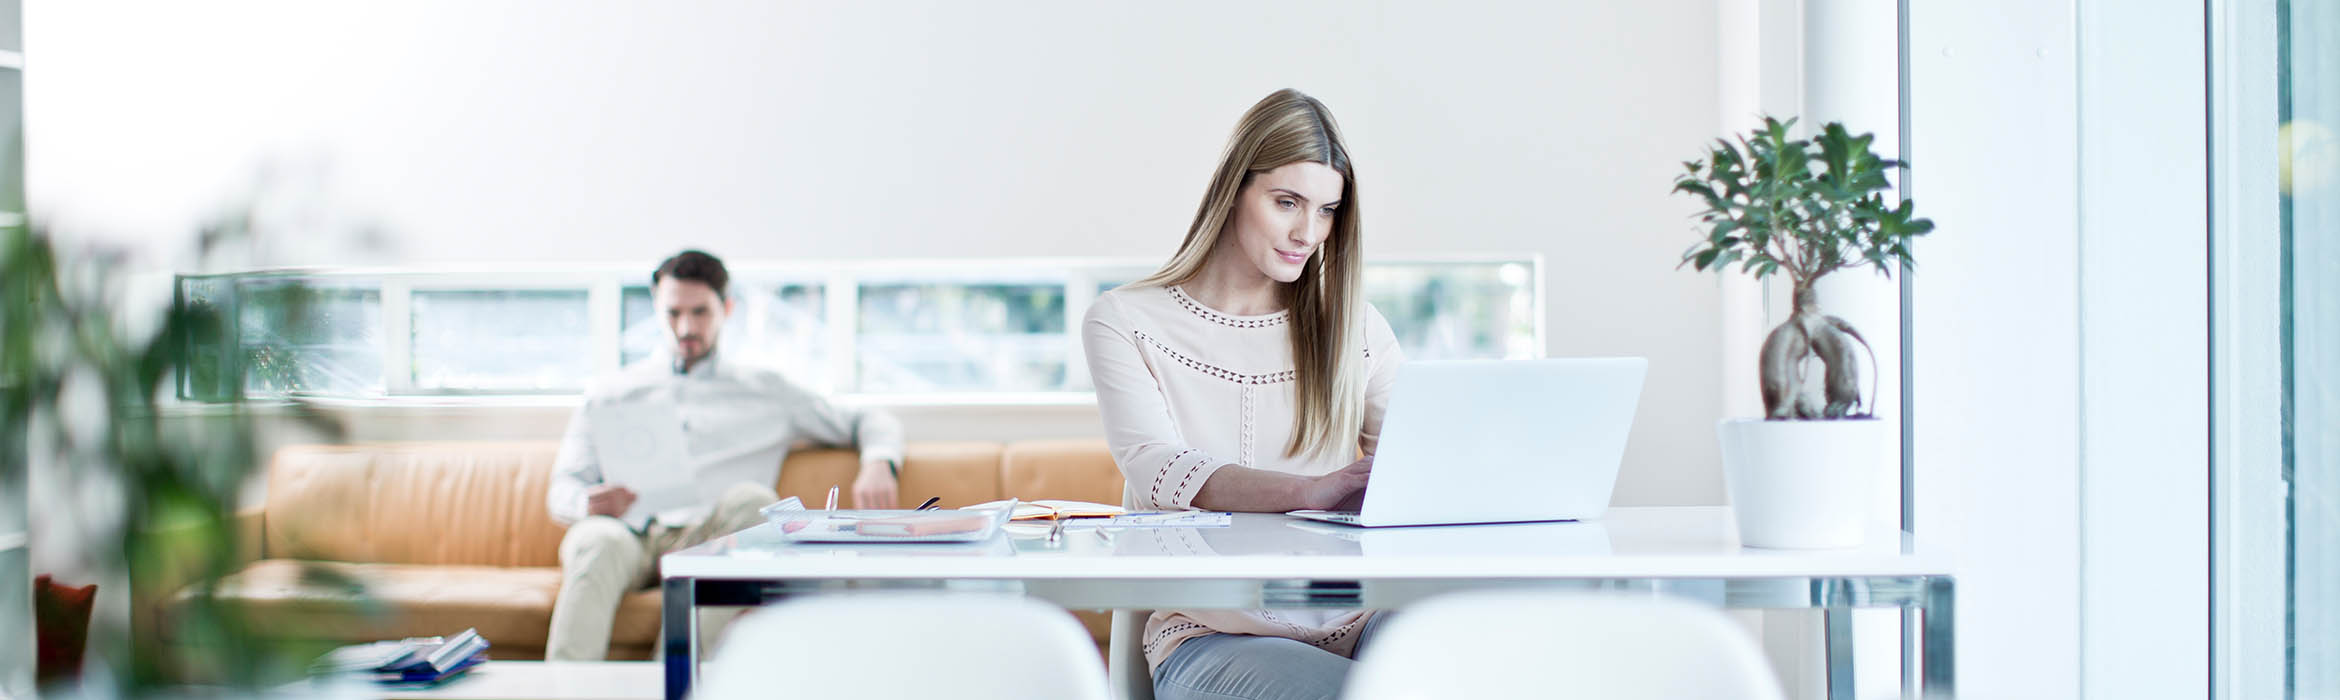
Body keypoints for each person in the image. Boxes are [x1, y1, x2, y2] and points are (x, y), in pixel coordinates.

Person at [1081, 89, 1405, 700]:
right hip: (1214, 638)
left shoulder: (1357, 328)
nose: (1308, 233)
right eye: (1287, 202)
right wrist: (1310, 492)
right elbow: (1157, 467)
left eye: (1328, 210)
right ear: (1234, 187)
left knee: (1489, 650)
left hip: (1362, 619)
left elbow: (1416, 462)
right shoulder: (1124, 320)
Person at [543, 249, 905, 661]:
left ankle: (675, 679)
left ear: (726, 309)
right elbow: (562, 488)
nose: (686, 327)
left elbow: (871, 419)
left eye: (700, 312)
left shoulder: (767, 391)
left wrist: (879, 462)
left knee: (758, 503)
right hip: (629, 536)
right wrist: (586, 503)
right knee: (593, 537)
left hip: (712, 541)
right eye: (673, 313)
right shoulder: (610, 392)